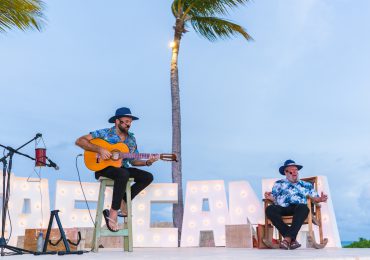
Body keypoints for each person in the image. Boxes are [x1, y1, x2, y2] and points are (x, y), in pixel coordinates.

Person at [75, 107, 157, 232]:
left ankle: (124, 199)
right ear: (117, 121)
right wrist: (100, 149)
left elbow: (133, 160)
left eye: (130, 122)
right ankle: (113, 213)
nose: (129, 124)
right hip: (103, 168)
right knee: (123, 174)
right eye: (126, 121)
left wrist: (147, 162)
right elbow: (80, 141)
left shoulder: (131, 139)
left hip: (121, 168)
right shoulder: (104, 133)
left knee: (147, 177)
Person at [264, 159, 328, 250]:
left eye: (296, 170)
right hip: (282, 208)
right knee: (269, 209)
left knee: (303, 207)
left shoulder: (306, 185)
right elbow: (274, 198)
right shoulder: (278, 184)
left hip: (298, 209)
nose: (294, 173)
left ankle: (287, 239)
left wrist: (320, 199)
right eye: (291, 171)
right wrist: (270, 198)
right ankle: (292, 239)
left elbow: (315, 198)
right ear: (285, 173)